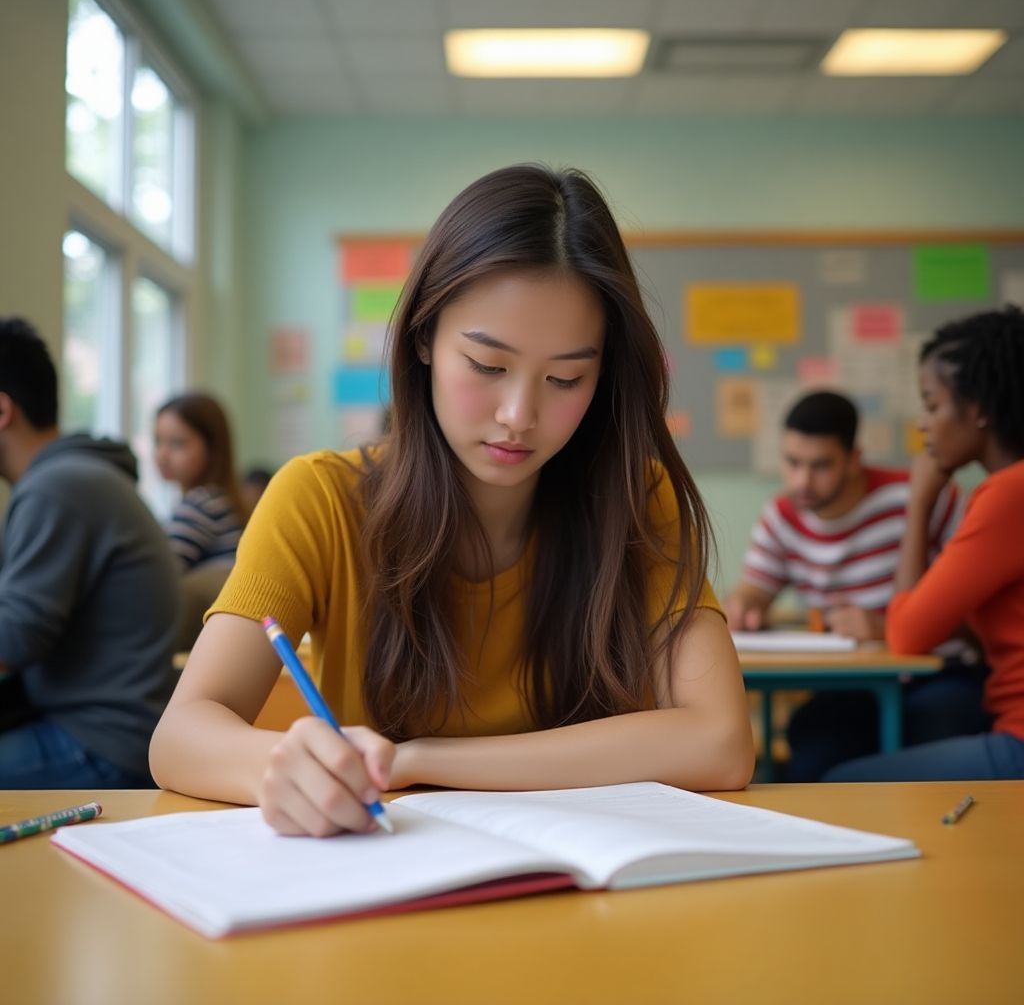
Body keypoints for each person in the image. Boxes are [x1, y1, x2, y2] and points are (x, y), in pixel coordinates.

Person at [150, 164, 755, 834]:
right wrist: (280, 766)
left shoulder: (636, 498)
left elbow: (720, 743)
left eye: (566, 377)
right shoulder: (318, 499)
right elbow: (180, 736)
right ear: (423, 340)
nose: (519, 415)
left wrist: (416, 761)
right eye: (488, 367)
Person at [725, 390, 986, 781]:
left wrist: (888, 629)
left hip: (940, 675)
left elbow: (982, 610)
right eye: (792, 463)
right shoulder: (782, 516)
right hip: (853, 683)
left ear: (854, 459)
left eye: (821, 466)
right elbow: (753, 590)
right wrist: (746, 603)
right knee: (810, 746)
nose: (802, 481)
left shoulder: (924, 497)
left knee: (935, 730)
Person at [827, 306, 1024, 781]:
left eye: (933, 405)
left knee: (839, 785)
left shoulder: (1007, 495)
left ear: (976, 410)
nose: (922, 425)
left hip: (1017, 741)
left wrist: (918, 504)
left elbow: (906, 634)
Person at [0, 318, 179, 788]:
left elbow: (15, 638)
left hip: (101, 742)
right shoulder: (79, 477)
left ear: (3, 410)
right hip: (118, 728)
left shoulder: (55, 488)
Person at [154, 393, 247, 571]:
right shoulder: (222, 500)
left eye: (177, 443)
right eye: (158, 441)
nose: (162, 455)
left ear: (211, 448)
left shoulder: (202, 504)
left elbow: (159, 577)